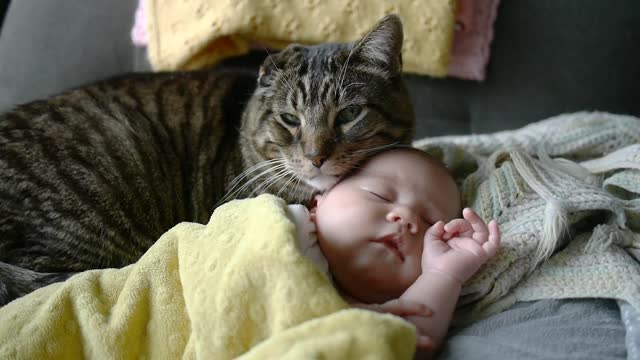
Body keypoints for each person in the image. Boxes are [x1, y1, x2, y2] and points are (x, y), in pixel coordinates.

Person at [287, 147, 500, 355]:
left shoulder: (383, 316)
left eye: (429, 222)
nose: (406, 217)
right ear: (317, 203)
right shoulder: (287, 226)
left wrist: (442, 274)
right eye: (380, 195)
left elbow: (406, 344)